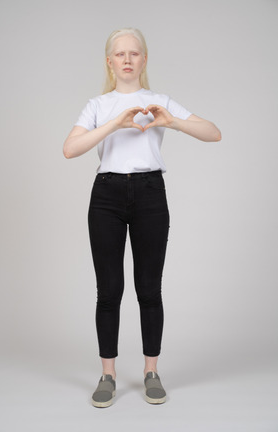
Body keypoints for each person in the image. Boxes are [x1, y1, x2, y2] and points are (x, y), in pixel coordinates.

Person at [63, 27, 222, 408]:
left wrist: (173, 122)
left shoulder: (159, 100)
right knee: (109, 290)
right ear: (110, 61)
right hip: (106, 197)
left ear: (144, 60)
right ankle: (108, 374)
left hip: (150, 194)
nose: (128, 59)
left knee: (149, 289)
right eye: (120, 54)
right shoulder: (98, 105)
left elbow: (214, 133)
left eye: (135, 53)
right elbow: (70, 149)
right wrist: (114, 124)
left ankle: (151, 371)